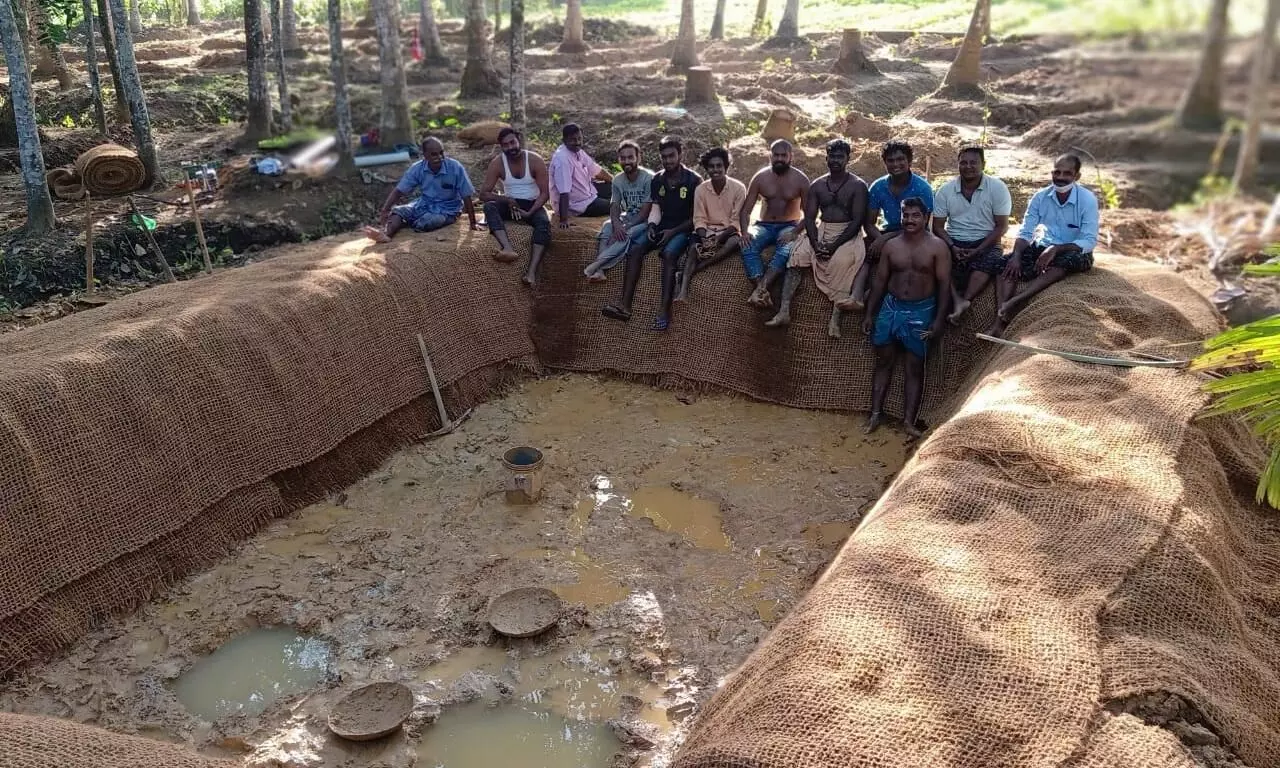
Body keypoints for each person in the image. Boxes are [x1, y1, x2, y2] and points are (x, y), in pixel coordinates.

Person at [862, 197, 950, 439]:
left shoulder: (938, 247)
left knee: (914, 367)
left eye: (915, 216)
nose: (909, 220)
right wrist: (870, 313)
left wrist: (938, 319)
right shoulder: (892, 246)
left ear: (926, 217)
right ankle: (875, 414)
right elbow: (879, 282)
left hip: (921, 310)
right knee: (883, 362)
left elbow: (944, 286)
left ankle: (909, 421)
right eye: (905, 215)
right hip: (891, 308)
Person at [766, 139, 871, 339]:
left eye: (840, 157)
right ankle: (784, 310)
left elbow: (857, 221)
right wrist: (815, 244)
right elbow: (810, 218)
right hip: (821, 231)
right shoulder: (818, 185)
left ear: (848, 159)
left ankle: (835, 316)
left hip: (846, 233)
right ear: (826, 158)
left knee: (843, 261)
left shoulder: (858, 186)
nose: (835, 160)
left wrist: (833, 246)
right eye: (832, 156)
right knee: (796, 255)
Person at [988, 153, 1098, 338]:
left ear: (1077, 176)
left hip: (1072, 250)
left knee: (1067, 261)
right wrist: (1015, 257)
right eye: (1057, 172)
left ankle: (1018, 300)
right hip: (1043, 246)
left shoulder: (1087, 200)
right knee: (1003, 264)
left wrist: (1056, 249)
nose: (1061, 178)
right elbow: (1026, 231)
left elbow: (1089, 240)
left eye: (1067, 173)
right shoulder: (1041, 197)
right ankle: (1000, 318)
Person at [601, 136, 702, 331]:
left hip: (684, 228)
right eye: (664, 157)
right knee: (636, 248)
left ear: (681, 155)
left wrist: (673, 231)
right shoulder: (658, 179)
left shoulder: (694, 180)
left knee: (670, 254)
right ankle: (625, 304)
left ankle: (664, 310)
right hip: (662, 225)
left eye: (672, 156)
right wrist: (652, 226)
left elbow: (697, 217)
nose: (668, 161)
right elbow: (655, 208)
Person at [839, 140, 935, 312]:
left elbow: (922, 224)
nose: (896, 164)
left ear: (909, 161)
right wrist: (878, 238)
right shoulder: (878, 186)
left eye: (900, 160)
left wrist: (886, 239)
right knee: (863, 251)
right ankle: (856, 296)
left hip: (917, 234)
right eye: (890, 161)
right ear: (885, 163)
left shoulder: (923, 188)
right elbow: (869, 222)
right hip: (887, 231)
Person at [929, 146, 1011, 325]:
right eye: (963, 162)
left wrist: (978, 249)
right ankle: (954, 299)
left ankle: (965, 299)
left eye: (973, 162)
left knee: (992, 260)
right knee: (935, 259)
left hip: (986, 240)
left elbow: (1002, 226)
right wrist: (952, 246)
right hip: (954, 240)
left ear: (983, 164)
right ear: (958, 165)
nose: (968, 166)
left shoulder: (997, 188)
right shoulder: (946, 190)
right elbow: (937, 227)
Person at [364, 136, 479, 242]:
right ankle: (386, 235)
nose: (439, 157)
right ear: (425, 155)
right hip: (423, 204)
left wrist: (472, 223)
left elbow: (466, 195)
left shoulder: (455, 167)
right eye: (434, 154)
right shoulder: (417, 168)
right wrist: (385, 210)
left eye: (441, 153)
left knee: (427, 222)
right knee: (398, 211)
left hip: (448, 209)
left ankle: (407, 223)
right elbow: (399, 191)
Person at [478, 127, 552, 286]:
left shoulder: (534, 160)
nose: (511, 147)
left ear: (519, 140)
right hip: (510, 203)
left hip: (533, 203)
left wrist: (530, 212)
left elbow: (545, 193)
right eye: (506, 145)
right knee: (489, 207)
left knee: (544, 224)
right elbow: (483, 194)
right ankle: (507, 248)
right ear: (501, 147)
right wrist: (506, 199)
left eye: (513, 142)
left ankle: (531, 272)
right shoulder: (498, 163)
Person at [740, 140, 809, 308]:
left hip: (789, 225)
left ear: (790, 156)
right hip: (763, 225)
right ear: (770, 156)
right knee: (746, 245)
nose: (779, 158)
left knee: (786, 250)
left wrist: (795, 232)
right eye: (776, 155)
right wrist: (744, 232)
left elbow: (810, 214)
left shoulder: (801, 180)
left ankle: (760, 290)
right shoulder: (760, 177)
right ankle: (761, 290)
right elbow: (745, 211)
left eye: (783, 155)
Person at [676, 146, 747, 302]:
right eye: (711, 166)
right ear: (707, 169)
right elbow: (699, 218)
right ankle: (682, 291)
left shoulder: (739, 188)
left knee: (734, 242)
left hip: (727, 231)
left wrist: (719, 239)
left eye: (719, 166)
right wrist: (704, 237)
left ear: (726, 167)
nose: (716, 170)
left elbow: (736, 221)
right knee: (694, 248)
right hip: (706, 231)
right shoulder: (701, 189)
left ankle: (697, 269)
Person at [584, 140, 654, 282]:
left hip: (647, 220)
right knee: (607, 226)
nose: (626, 161)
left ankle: (598, 264)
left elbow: (645, 213)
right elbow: (615, 206)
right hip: (628, 216)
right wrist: (616, 224)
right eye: (623, 158)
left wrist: (624, 228)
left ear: (638, 158)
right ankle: (600, 272)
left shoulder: (649, 178)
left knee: (628, 233)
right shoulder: (617, 180)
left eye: (630, 157)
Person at [549, 122, 613, 229]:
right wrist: (564, 220)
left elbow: (595, 170)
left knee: (616, 188)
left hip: (588, 191)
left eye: (579, 139)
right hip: (577, 205)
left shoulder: (578, 151)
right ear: (564, 140)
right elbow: (564, 192)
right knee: (614, 205)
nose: (577, 142)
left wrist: (615, 181)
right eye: (573, 140)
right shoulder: (562, 160)